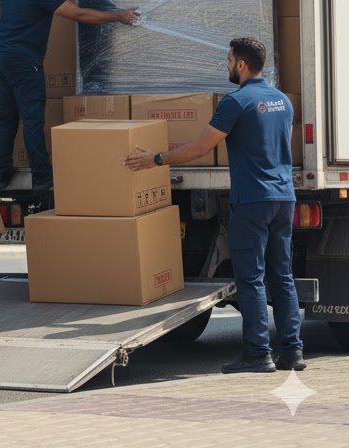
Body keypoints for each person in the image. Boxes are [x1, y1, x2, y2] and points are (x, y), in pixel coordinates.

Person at [124, 36, 304, 374]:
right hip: (283, 198)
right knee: (282, 277)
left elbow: (200, 148)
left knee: (250, 279)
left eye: (228, 59)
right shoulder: (282, 100)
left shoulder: (235, 102)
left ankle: (257, 355)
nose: (226, 65)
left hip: (252, 200)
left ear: (240, 64)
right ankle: (292, 353)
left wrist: (156, 159)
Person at [0, 0, 139, 195]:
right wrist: (119, 16)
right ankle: (41, 179)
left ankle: (0, 176)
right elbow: (80, 15)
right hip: (25, 63)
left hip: (1, 57)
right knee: (33, 120)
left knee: (6, 116)